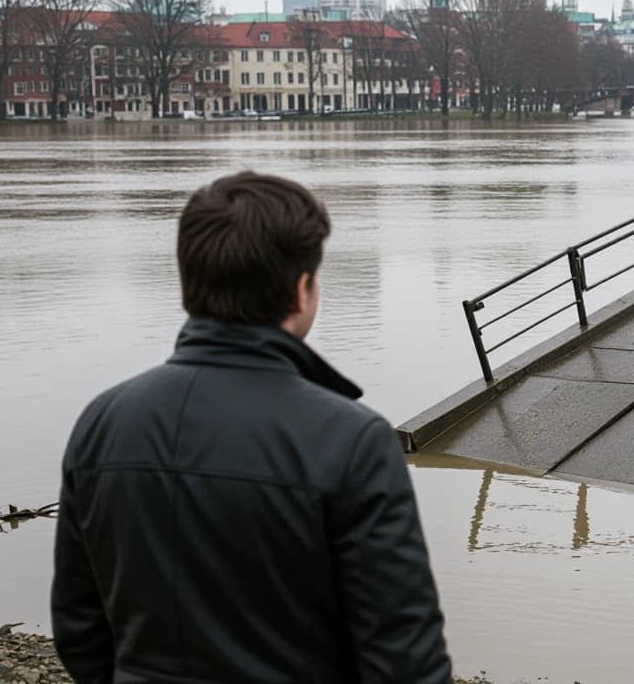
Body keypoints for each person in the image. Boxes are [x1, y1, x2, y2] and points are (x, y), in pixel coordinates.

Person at [52, 172, 452, 683]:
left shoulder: (103, 421)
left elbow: (79, 625)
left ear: (190, 282)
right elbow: (404, 657)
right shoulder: (352, 441)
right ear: (301, 289)